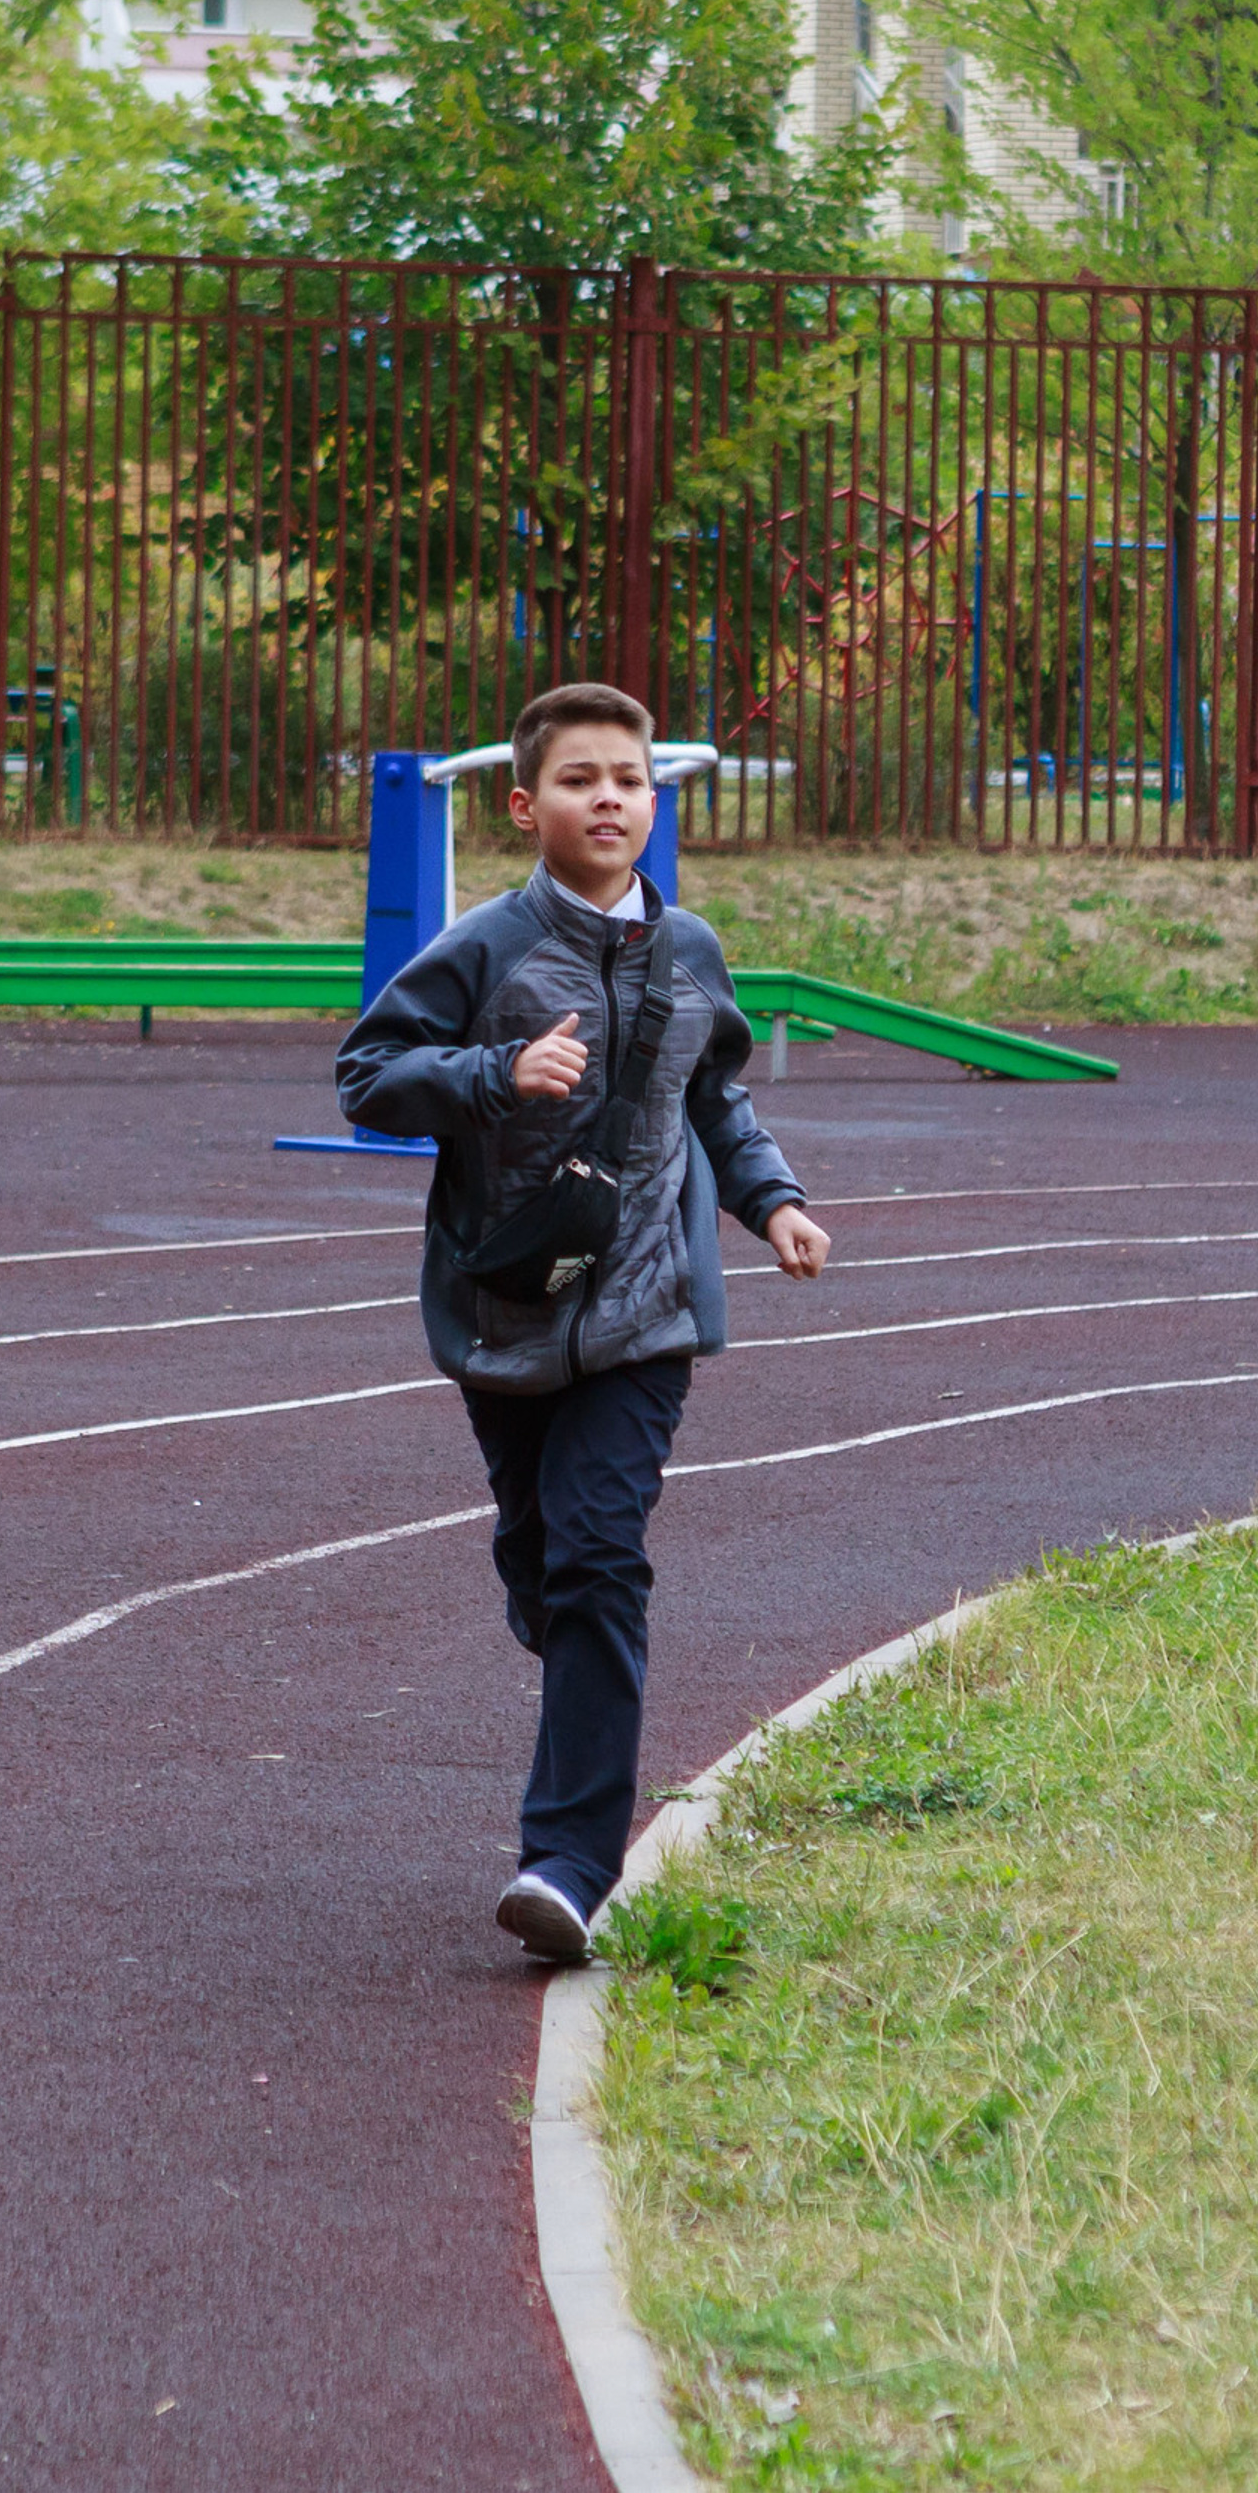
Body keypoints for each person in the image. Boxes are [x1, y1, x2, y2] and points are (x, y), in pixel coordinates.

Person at [336, 682, 830, 1962]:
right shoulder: (486, 947)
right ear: (525, 804)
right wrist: (493, 1074)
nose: (606, 796)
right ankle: (560, 1624)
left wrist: (771, 1202)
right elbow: (367, 1078)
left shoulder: (690, 952)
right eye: (578, 779)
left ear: (653, 804)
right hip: (505, 1305)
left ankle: (565, 1864)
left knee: (603, 1558)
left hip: (645, 1308)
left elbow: (713, 1097)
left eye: (627, 778)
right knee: (548, 1566)